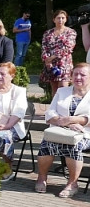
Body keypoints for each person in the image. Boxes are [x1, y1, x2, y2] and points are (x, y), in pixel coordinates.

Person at [34, 62, 90, 198]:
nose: (78, 77)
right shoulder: (62, 91)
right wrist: (65, 123)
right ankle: (42, 177)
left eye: (83, 75)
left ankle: (72, 184)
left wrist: (72, 120)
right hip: (59, 130)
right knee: (47, 143)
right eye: (75, 74)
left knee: (73, 146)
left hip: (84, 134)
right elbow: (50, 113)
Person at [40, 9, 77, 99]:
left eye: (62, 18)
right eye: (58, 18)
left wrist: (52, 57)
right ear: (54, 20)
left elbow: (68, 47)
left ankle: (64, 110)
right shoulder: (48, 33)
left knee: (63, 88)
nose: (60, 20)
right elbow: (44, 47)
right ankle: (53, 109)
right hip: (51, 65)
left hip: (64, 63)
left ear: (66, 19)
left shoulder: (70, 32)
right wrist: (46, 59)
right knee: (55, 89)